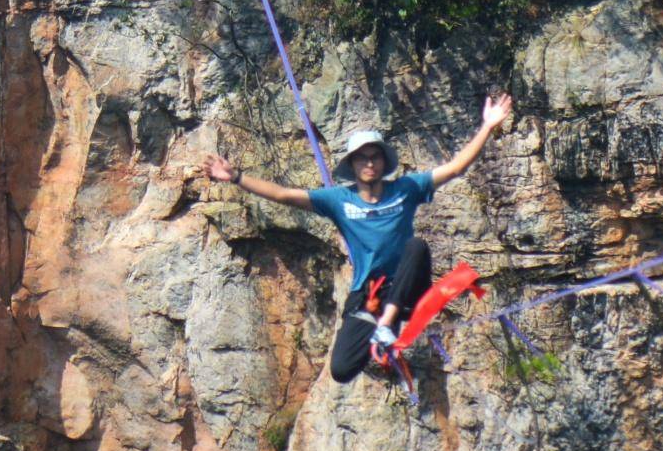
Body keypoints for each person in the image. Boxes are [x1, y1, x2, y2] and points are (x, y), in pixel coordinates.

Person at [201, 94, 515, 385]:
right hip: (369, 294)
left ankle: (386, 325)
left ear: (383, 162)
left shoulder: (406, 188)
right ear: (352, 164)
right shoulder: (339, 200)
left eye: (375, 157)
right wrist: (237, 178)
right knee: (341, 370)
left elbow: (457, 167)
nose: (369, 163)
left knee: (416, 247)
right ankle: (382, 335)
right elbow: (284, 195)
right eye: (362, 158)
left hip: (407, 290)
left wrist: (487, 126)